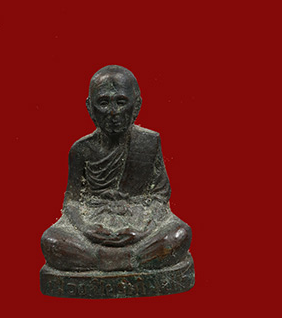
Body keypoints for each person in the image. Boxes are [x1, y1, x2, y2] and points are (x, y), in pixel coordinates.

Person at [41, 65, 192, 272]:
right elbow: (73, 201)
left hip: (139, 222)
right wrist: (87, 230)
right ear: (90, 107)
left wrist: (143, 229)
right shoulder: (81, 150)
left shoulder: (148, 143)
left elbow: (160, 196)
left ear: (136, 105)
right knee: (52, 240)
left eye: (121, 102)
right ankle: (131, 259)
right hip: (94, 223)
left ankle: (102, 261)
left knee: (180, 234)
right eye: (103, 103)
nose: (113, 112)